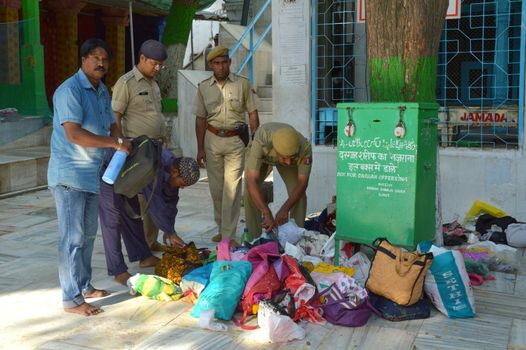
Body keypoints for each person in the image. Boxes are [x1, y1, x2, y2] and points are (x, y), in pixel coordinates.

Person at [47, 38, 132, 316]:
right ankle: (71, 299)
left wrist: (121, 139)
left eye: (105, 59)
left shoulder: (102, 90)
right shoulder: (69, 90)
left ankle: (84, 286)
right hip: (69, 175)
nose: (101, 63)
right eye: (95, 58)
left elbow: (111, 122)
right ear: (83, 60)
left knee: (87, 236)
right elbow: (73, 134)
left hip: (92, 175)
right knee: (72, 238)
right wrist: (112, 144)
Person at [99, 149, 200, 285]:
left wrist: (168, 229)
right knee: (113, 220)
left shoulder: (173, 168)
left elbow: (170, 200)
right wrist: (171, 232)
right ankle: (118, 271)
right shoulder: (154, 167)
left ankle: (144, 257)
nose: (182, 188)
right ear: (175, 173)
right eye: (182, 184)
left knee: (133, 215)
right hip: (109, 173)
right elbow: (156, 206)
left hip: (127, 178)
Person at [193, 45, 260, 244]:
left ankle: (229, 235)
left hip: (235, 141)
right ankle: (222, 227)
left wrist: (255, 140)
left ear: (230, 63)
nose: (221, 67)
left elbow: (253, 113)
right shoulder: (204, 87)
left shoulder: (243, 84)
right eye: (216, 63)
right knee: (216, 189)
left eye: (224, 63)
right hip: (212, 140)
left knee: (232, 188)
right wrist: (200, 149)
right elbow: (200, 119)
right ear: (211, 65)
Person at [112, 39, 168, 252]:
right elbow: (115, 116)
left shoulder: (153, 84)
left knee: (154, 194)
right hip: (137, 150)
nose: (157, 68)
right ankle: (140, 244)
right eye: (154, 63)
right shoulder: (126, 83)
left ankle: (151, 241)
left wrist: (164, 134)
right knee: (139, 198)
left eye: (160, 65)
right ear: (142, 58)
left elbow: (156, 113)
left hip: (156, 148)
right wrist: (120, 145)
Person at [244, 123, 312, 238]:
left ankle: (296, 235)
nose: (289, 163)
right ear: (275, 150)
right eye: (285, 158)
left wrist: (284, 209)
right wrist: (266, 212)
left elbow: (302, 183)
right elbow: (251, 180)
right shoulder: (262, 140)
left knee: (299, 194)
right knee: (249, 192)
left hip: (285, 154)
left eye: (292, 158)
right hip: (263, 157)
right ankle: (254, 237)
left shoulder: (304, 148)